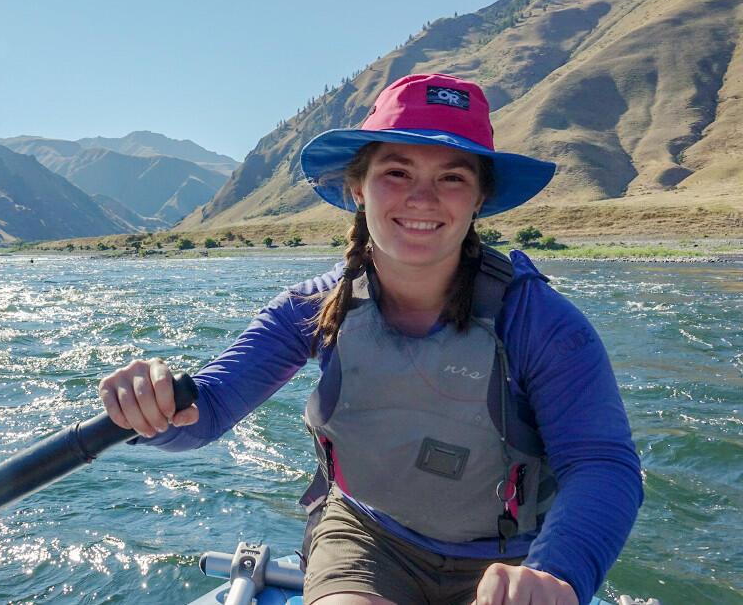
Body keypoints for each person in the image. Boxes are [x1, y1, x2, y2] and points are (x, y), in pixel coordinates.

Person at [98, 74, 642, 605]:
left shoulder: (542, 324)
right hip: (366, 539)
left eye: (452, 178)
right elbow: (208, 410)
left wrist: (555, 572)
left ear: (479, 198)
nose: (423, 199)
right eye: (397, 173)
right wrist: (155, 406)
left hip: (511, 559)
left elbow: (601, 465)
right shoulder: (309, 309)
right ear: (358, 188)